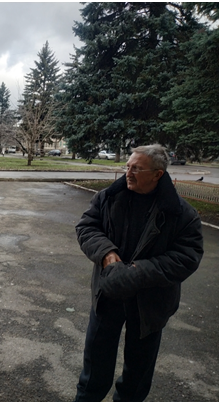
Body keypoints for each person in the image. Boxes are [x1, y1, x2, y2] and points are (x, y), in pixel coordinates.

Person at [74, 145, 204, 401]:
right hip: (108, 291)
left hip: (150, 303)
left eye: (136, 168)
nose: (128, 173)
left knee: (139, 368)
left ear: (157, 174)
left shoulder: (181, 213)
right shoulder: (108, 197)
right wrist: (107, 255)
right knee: (95, 361)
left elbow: (187, 257)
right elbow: (87, 227)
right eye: (128, 167)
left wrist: (136, 272)